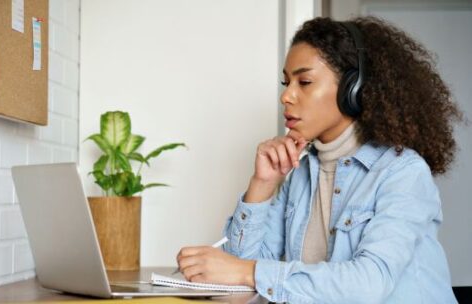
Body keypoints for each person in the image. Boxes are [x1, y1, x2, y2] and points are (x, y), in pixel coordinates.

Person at [176, 16, 462, 303]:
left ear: (353, 88)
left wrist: (249, 272)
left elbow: (369, 283)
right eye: (286, 83)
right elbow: (234, 279)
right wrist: (261, 185)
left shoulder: (402, 172)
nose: (286, 96)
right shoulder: (302, 173)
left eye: (305, 81)